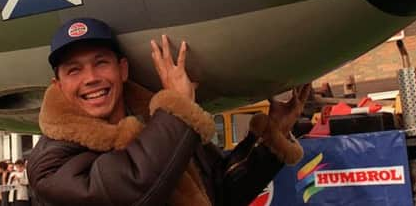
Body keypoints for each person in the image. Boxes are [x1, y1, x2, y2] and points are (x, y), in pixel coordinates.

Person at [27, 17, 311, 205]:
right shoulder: (49, 162)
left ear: (122, 69)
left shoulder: (161, 126)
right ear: (59, 85)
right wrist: (177, 108)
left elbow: (219, 190)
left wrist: (273, 134)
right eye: (74, 70)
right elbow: (132, 191)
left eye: (101, 63)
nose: (90, 78)